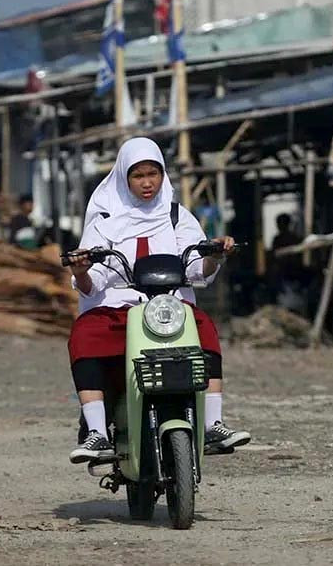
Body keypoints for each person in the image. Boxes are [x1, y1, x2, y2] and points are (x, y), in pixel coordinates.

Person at [65, 137, 251, 464]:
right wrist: (82, 270)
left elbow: (196, 270)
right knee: (85, 335)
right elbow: (92, 283)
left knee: (204, 329)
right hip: (116, 308)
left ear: (164, 175)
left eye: (154, 174)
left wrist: (215, 257)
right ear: (124, 177)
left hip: (168, 309)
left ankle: (213, 424)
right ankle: (97, 432)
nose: (148, 183)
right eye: (138, 176)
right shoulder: (105, 220)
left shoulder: (177, 216)